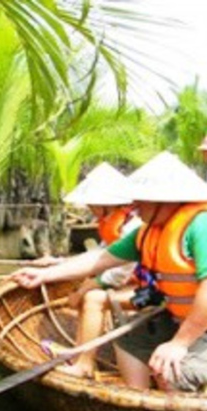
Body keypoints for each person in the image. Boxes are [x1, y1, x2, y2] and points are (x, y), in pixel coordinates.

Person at [13, 152, 207, 391]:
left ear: (166, 200)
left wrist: (179, 344)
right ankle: (141, 402)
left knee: (173, 371)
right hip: (189, 319)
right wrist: (45, 275)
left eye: (141, 200)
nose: (134, 206)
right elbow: (102, 258)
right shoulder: (149, 231)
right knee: (127, 336)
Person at [46, 162, 141, 378]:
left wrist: (85, 288)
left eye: (93, 203)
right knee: (86, 288)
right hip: (131, 282)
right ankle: (78, 352)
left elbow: (120, 272)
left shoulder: (132, 226)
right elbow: (101, 254)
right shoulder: (115, 221)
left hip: (142, 286)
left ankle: (85, 364)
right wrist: (59, 262)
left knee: (91, 296)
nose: (90, 207)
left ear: (107, 203)